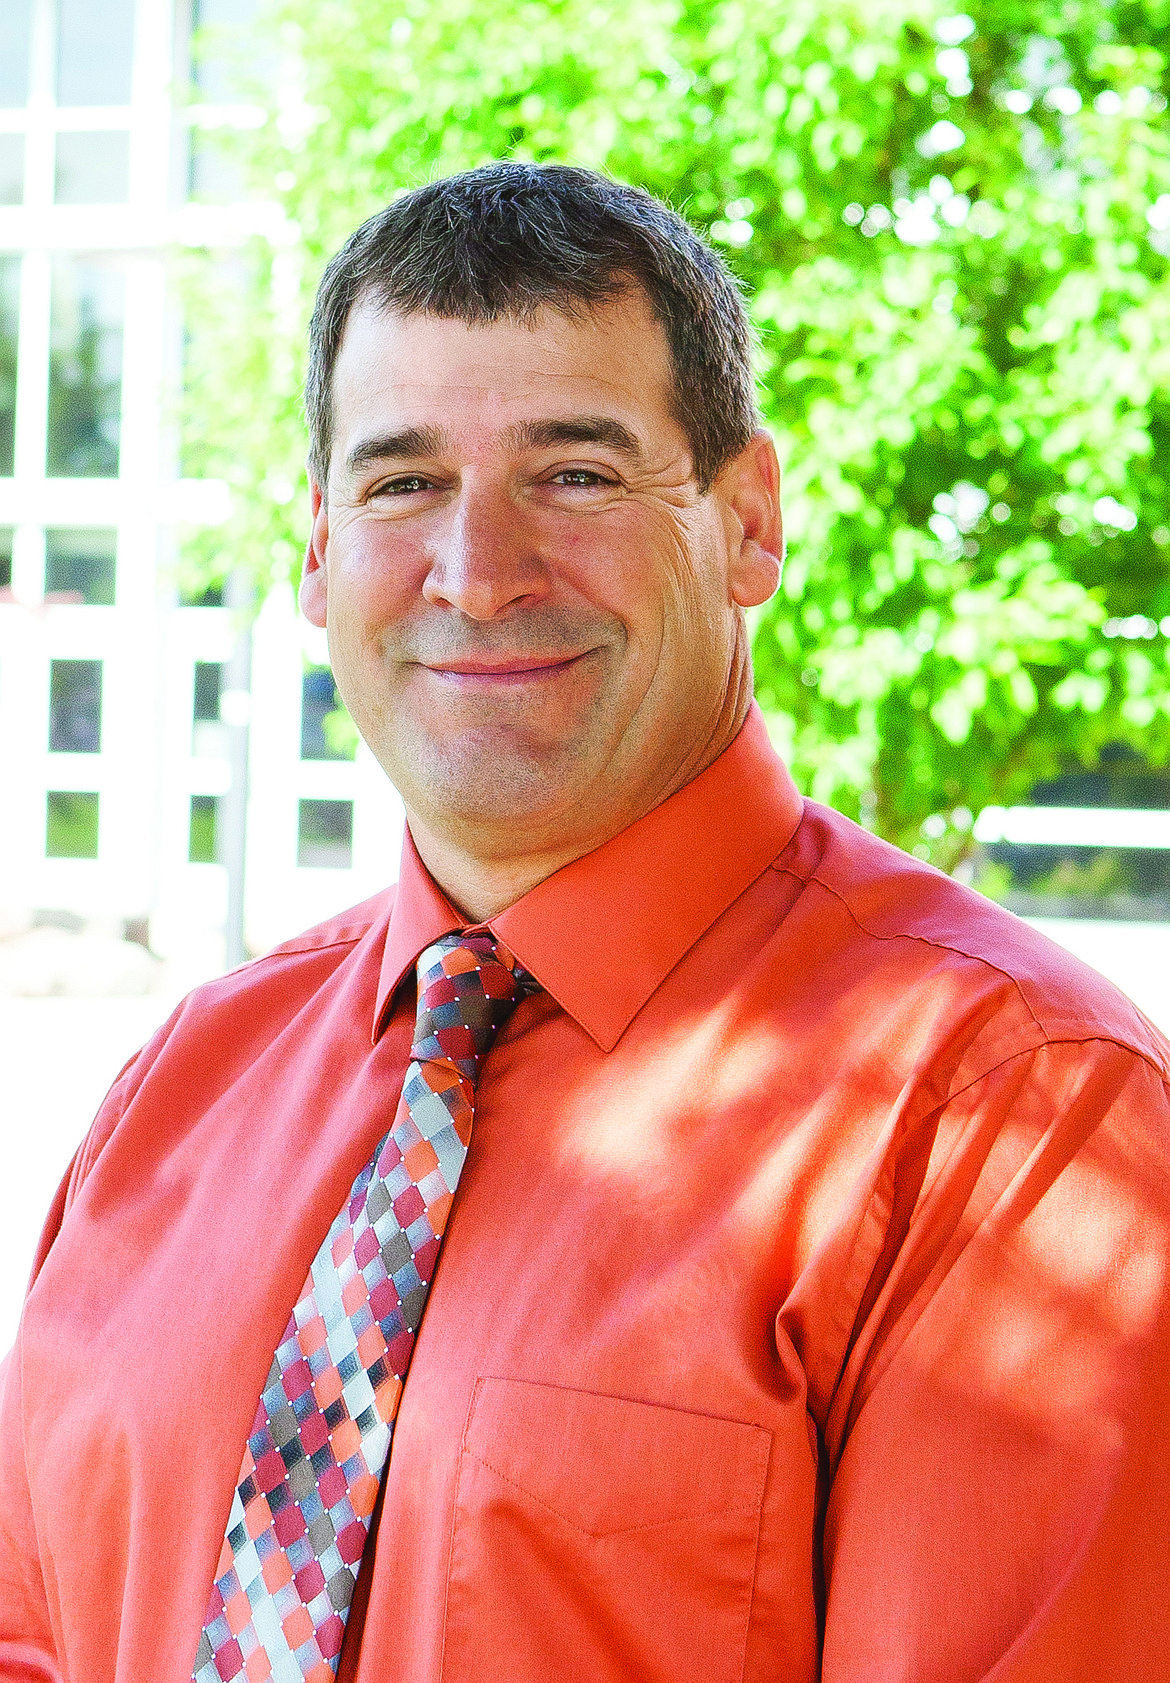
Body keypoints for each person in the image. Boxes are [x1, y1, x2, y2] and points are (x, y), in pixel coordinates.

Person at [2, 162, 1169, 1683]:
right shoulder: (183, 1087)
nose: (476, 576)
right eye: (402, 480)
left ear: (745, 521)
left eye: (574, 473)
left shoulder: (1012, 1119)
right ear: (314, 546)